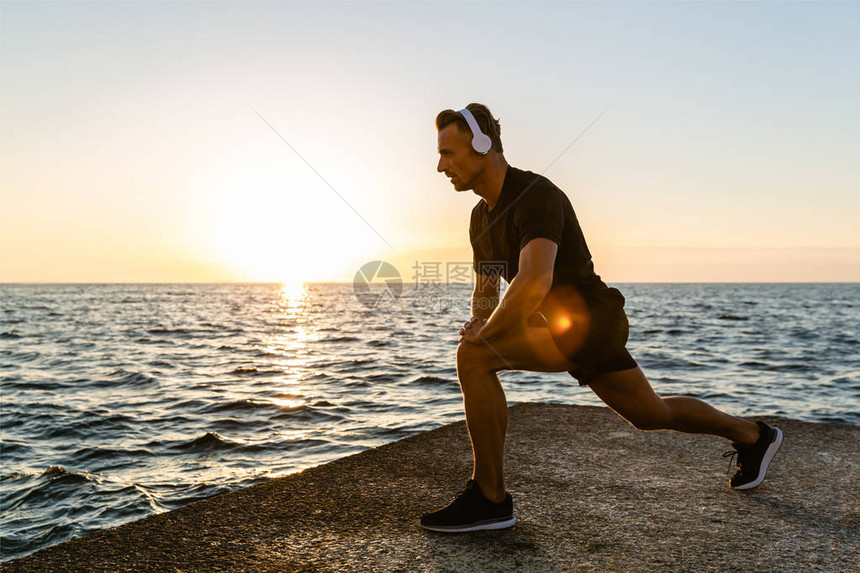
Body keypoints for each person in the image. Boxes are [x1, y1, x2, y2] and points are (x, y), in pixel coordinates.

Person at [419, 103, 784, 533]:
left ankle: (490, 498)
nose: (440, 165)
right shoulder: (480, 216)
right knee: (650, 414)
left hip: (590, 320)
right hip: (558, 326)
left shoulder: (536, 195)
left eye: (448, 153)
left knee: (473, 359)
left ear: (482, 146)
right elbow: (486, 291)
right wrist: (478, 323)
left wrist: (484, 339)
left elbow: (534, 280)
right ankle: (754, 436)